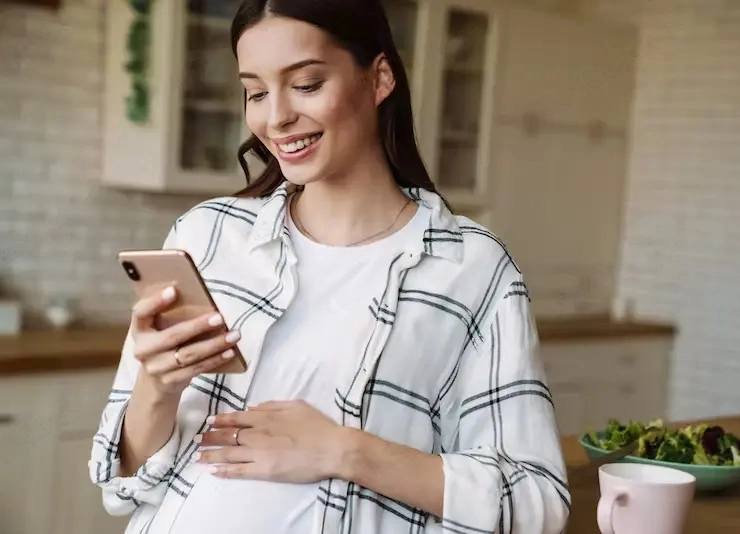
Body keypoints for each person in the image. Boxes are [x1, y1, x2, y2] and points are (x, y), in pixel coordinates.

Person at [89, 0, 570, 532]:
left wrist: (345, 451)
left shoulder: (473, 268)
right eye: (255, 92)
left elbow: (536, 502)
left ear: (379, 77)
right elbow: (122, 486)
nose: (276, 118)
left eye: (307, 84)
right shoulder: (206, 235)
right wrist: (157, 389)